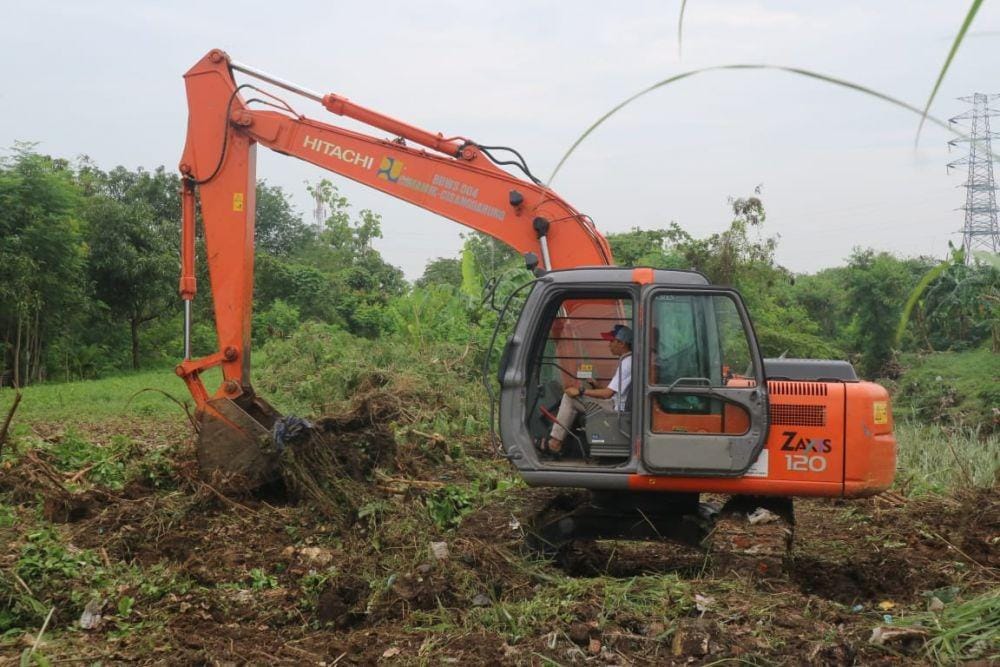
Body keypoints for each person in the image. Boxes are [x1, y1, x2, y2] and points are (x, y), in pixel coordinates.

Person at [542, 324, 632, 456]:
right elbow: (613, 392)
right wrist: (595, 384)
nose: (609, 345)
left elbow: (608, 394)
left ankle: (555, 443)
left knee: (569, 398)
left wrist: (581, 391)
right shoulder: (628, 360)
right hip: (614, 403)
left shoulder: (626, 364)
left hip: (615, 408)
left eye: (611, 341)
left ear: (621, 343)